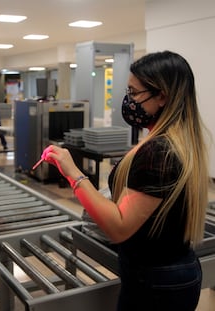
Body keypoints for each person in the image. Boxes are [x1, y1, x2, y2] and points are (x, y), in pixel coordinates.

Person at [40, 51, 208, 311]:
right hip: (170, 270)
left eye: (134, 92)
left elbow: (118, 227)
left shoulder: (158, 152)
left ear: (162, 96)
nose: (128, 101)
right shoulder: (180, 142)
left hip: (156, 281)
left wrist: (72, 172)